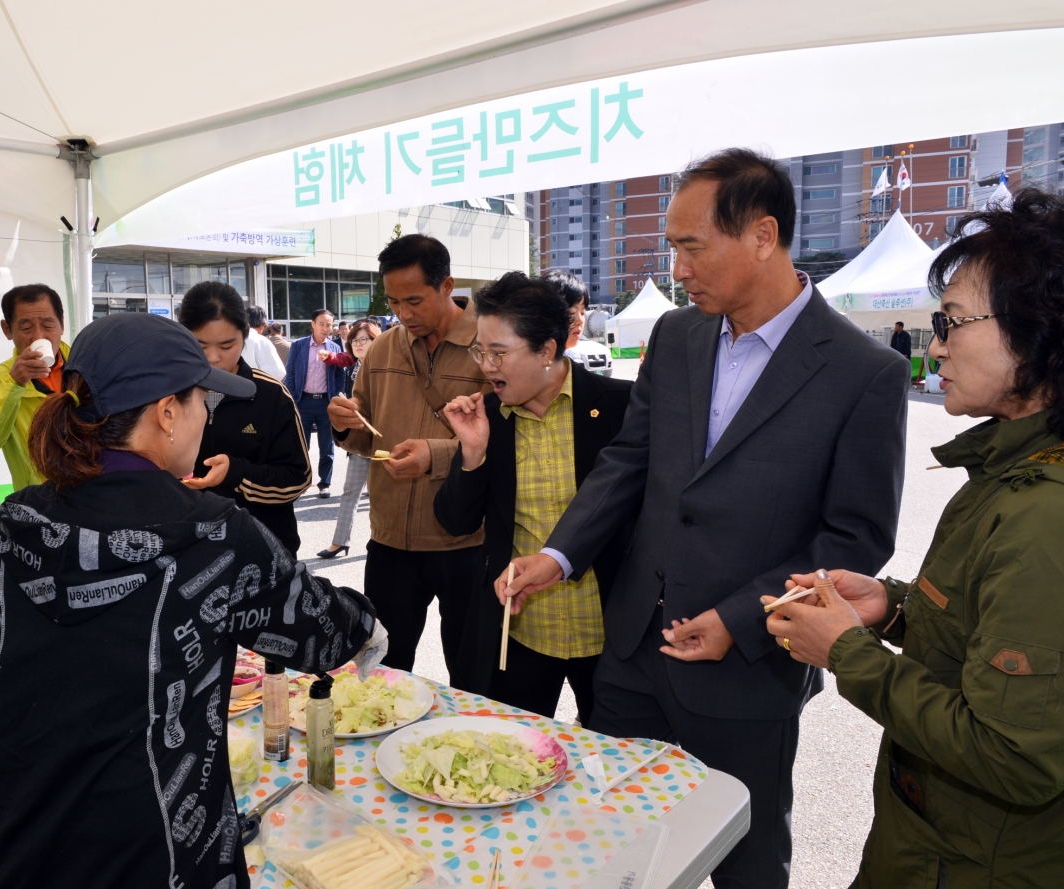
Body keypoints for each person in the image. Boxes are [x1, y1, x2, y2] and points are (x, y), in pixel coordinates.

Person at [500, 149, 910, 888]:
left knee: (743, 859)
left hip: (746, 669)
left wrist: (740, 619)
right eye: (673, 248)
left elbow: (855, 536)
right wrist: (559, 555)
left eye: (691, 247)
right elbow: (628, 462)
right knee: (614, 838)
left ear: (761, 235)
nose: (678, 269)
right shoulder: (678, 337)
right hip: (630, 651)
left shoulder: (861, 372)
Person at [0, 313, 384, 889]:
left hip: (12, 835)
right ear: (166, 412)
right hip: (149, 843)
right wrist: (368, 625)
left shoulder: (18, 516)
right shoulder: (210, 531)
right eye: (201, 400)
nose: (208, 415)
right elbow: (323, 631)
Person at [764, 190, 1064, 887]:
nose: (934, 344)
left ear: (1038, 330)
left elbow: (1012, 755)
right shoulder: (1004, 465)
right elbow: (982, 629)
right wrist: (891, 607)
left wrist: (845, 652)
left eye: (952, 322)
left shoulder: (1041, 515)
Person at [434, 274, 632, 723]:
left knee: (614, 768)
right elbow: (455, 522)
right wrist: (472, 452)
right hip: (518, 630)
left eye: (498, 352)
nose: (485, 365)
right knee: (512, 761)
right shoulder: (488, 417)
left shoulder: (623, 407)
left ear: (547, 349)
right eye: (479, 350)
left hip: (609, 632)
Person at [328, 234, 489, 689]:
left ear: (447, 285)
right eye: (395, 301)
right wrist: (345, 424)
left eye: (415, 300)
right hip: (391, 540)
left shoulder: (489, 347)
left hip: (467, 540)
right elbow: (366, 436)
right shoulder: (382, 349)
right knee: (383, 670)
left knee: (469, 670)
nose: (404, 313)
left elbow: (509, 440)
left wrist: (434, 456)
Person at [180, 282, 310, 554]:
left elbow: (298, 478)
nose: (213, 358)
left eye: (227, 345)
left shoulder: (271, 395)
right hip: (187, 551)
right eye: (200, 344)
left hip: (262, 550)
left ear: (245, 336)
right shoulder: (165, 392)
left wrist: (237, 472)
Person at [0, 283, 69, 489]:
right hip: (40, 507)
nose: (38, 336)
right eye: (26, 328)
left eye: (48, 325)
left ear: (61, 324)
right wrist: (14, 384)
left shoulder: (89, 368)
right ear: (7, 329)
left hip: (97, 499)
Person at [317, 318, 381, 559]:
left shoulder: (386, 369)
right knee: (350, 492)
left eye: (364, 339)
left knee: (382, 496)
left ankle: (381, 543)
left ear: (377, 341)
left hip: (384, 441)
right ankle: (340, 541)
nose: (358, 344)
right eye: (354, 340)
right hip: (359, 440)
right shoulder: (354, 367)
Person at [284, 309, 344, 498]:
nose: (326, 328)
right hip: (304, 401)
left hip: (326, 402)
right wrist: (294, 396)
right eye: (322, 324)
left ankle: (324, 483)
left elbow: (340, 374)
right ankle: (300, 481)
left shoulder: (334, 348)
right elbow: (290, 373)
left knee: (327, 446)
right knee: (301, 445)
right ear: (313, 324)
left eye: (329, 325)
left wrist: (336, 397)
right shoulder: (299, 346)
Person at [242, 304, 287, 379]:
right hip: (257, 387)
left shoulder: (233, 339)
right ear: (263, 325)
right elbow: (279, 372)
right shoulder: (263, 341)